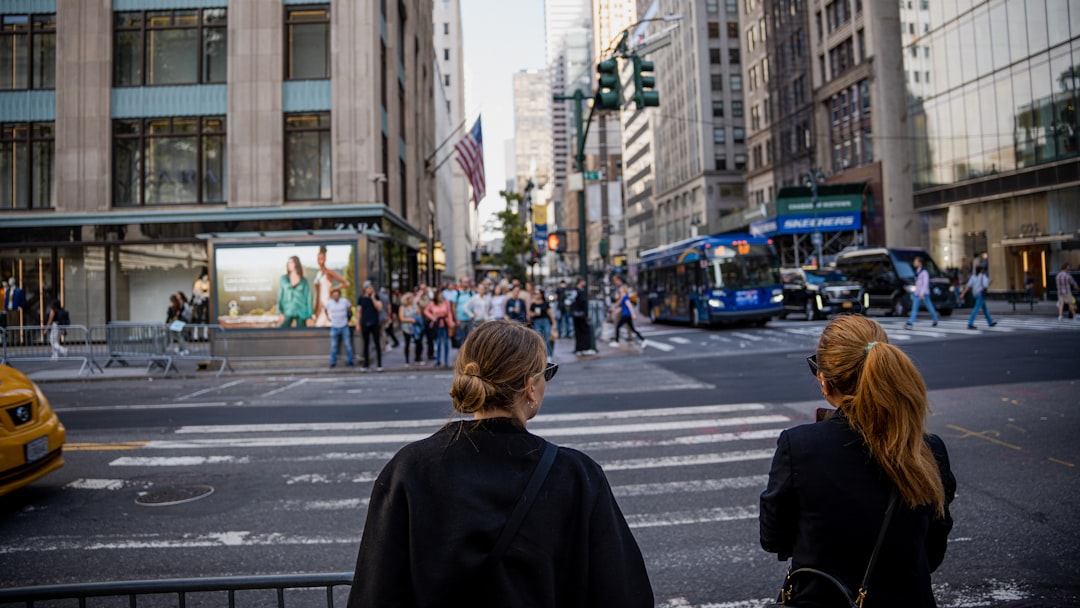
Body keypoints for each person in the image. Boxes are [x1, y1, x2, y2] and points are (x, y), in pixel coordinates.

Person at [347, 320, 653, 608]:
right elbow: (624, 593)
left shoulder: (409, 469)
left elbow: (375, 594)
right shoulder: (576, 475)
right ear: (531, 386)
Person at [760, 315, 956, 608]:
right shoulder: (928, 449)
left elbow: (773, 538)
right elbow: (933, 550)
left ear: (825, 381)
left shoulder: (799, 446)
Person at [313, 246, 350, 328]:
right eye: (318, 259)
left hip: (327, 304)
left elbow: (346, 284)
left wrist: (333, 289)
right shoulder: (318, 274)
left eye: (322, 258)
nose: (320, 261)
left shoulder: (329, 272)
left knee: (321, 327)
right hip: (319, 305)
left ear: (325, 259)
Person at [904, 256, 939, 330]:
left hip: (923, 294)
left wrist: (921, 294)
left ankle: (935, 319)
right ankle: (910, 322)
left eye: (915, 261)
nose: (914, 263)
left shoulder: (924, 272)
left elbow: (925, 284)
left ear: (920, 263)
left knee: (929, 307)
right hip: (918, 293)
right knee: (915, 308)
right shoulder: (918, 271)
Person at [278, 255, 313, 328]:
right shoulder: (283, 279)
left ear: (296, 264)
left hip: (301, 311)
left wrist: (309, 316)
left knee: (302, 335)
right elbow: (280, 296)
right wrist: (280, 312)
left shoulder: (304, 281)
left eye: (291, 262)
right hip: (287, 310)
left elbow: (308, 298)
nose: (289, 264)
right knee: (281, 331)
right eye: (288, 263)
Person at [322, 287, 354, 368]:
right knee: (333, 346)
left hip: (344, 326)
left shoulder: (344, 301)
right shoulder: (330, 303)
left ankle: (350, 362)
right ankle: (333, 362)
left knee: (348, 345)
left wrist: (348, 316)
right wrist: (328, 318)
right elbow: (325, 309)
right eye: (334, 295)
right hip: (334, 326)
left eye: (336, 295)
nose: (335, 297)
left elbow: (350, 307)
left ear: (339, 295)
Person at [423, 289, 455, 367]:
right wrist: (432, 317)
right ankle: (438, 360)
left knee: (446, 343)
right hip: (436, 324)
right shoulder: (432, 303)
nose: (440, 297)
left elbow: (449, 313)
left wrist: (451, 322)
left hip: (445, 324)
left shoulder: (446, 302)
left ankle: (446, 361)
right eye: (439, 295)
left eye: (441, 295)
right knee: (438, 343)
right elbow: (426, 311)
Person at [357, 282, 384, 371]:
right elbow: (359, 311)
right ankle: (366, 364)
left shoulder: (376, 297)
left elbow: (379, 308)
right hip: (365, 322)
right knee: (366, 344)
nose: (371, 289)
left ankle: (379, 364)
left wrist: (373, 299)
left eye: (371, 288)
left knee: (377, 343)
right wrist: (358, 323)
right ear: (365, 289)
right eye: (369, 288)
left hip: (375, 322)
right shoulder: (361, 299)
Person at [959, 265, 996, 330]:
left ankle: (990, 322)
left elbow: (968, 286)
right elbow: (985, 285)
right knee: (976, 309)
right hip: (980, 294)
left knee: (985, 309)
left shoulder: (973, 277)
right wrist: (990, 282)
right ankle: (970, 323)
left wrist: (963, 293)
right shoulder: (983, 276)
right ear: (981, 270)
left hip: (975, 294)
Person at [528, 285, 556, 358]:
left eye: (537, 293)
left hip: (545, 321)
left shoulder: (545, 303)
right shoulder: (533, 304)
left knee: (547, 338)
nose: (536, 295)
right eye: (535, 293)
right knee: (539, 338)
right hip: (537, 321)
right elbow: (530, 314)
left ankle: (549, 355)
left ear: (541, 294)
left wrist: (554, 324)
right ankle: (541, 356)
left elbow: (550, 314)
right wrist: (534, 313)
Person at [398, 292, 424, 366]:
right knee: (407, 343)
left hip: (415, 327)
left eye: (412, 298)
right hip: (407, 328)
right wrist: (411, 319)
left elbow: (419, 314)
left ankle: (418, 358)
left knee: (418, 342)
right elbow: (401, 318)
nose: (412, 299)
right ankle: (407, 360)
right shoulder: (402, 307)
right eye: (410, 298)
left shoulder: (415, 305)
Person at [570, 278, 593, 355]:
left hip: (575, 314)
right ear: (581, 282)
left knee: (578, 331)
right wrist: (586, 314)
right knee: (584, 331)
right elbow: (583, 303)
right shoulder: (580, 292)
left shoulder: (574, 291)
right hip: (581, 315)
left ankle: (578, 349)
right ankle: (585, 348)